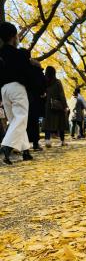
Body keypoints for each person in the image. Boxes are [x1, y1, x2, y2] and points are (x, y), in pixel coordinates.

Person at [0, 22, 33, 164]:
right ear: (14, 37)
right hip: (17, 88)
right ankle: (6, 148)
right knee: (21, 118)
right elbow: (27, 72)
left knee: (15, 120)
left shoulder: (1, 54)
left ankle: (25, 151)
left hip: (4, 90)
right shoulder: (20, 54)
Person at [19, 48, 46, 151]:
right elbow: (43, 83)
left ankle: (22, 144)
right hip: (34, 98)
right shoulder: (35, 68)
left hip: (21, 95)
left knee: (21, 121)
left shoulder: (18, 67)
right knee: (33, 122)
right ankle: (35, 143)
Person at [42, 66, 68, 147]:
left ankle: (47, 140)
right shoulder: (57, 82)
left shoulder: (44, 82)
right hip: (57, 105)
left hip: (47, 105)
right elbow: (62, 95)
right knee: (61, 123)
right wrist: (65, 106)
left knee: (47, 123)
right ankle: (62, 141)